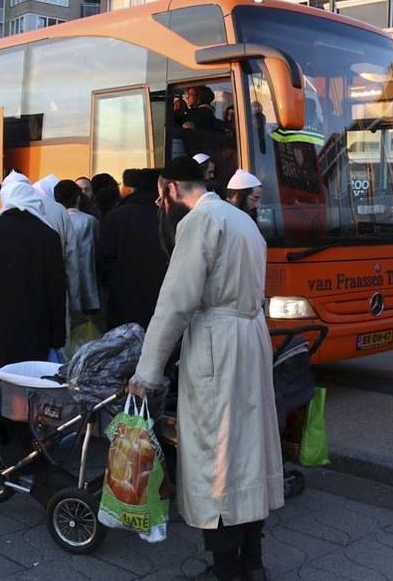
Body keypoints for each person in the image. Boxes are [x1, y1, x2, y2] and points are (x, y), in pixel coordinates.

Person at [129, 156, 283, 581]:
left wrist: (147, 372)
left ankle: (225, 569)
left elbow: (175, 302)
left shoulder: (198, 222)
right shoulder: (241, 220)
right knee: (248, 451)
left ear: (172, 188)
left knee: (215, 455)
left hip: (218, 344)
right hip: (251, 340)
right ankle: (252, 562)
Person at [0, 171, 67, 427]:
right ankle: (28, 432)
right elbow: (57, 290)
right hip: (33, 328)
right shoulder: (48, 236)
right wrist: (58, 335)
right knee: (27, 383)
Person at [98, 168, 169, 331]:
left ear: (131, 189)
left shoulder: (116, 216)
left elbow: (104, 259)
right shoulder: (167, 215)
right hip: (162, 299)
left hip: (124, 298)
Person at [33, 173, 81, 334]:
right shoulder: (59, 211)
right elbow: (72, 260)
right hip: (57, 286)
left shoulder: (5, 214)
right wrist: (75, 300)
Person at [54, 179, 100, 317]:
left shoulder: (53, 221)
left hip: (61, 285)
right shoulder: (89, 221)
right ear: (78, 198)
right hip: (88, 285)